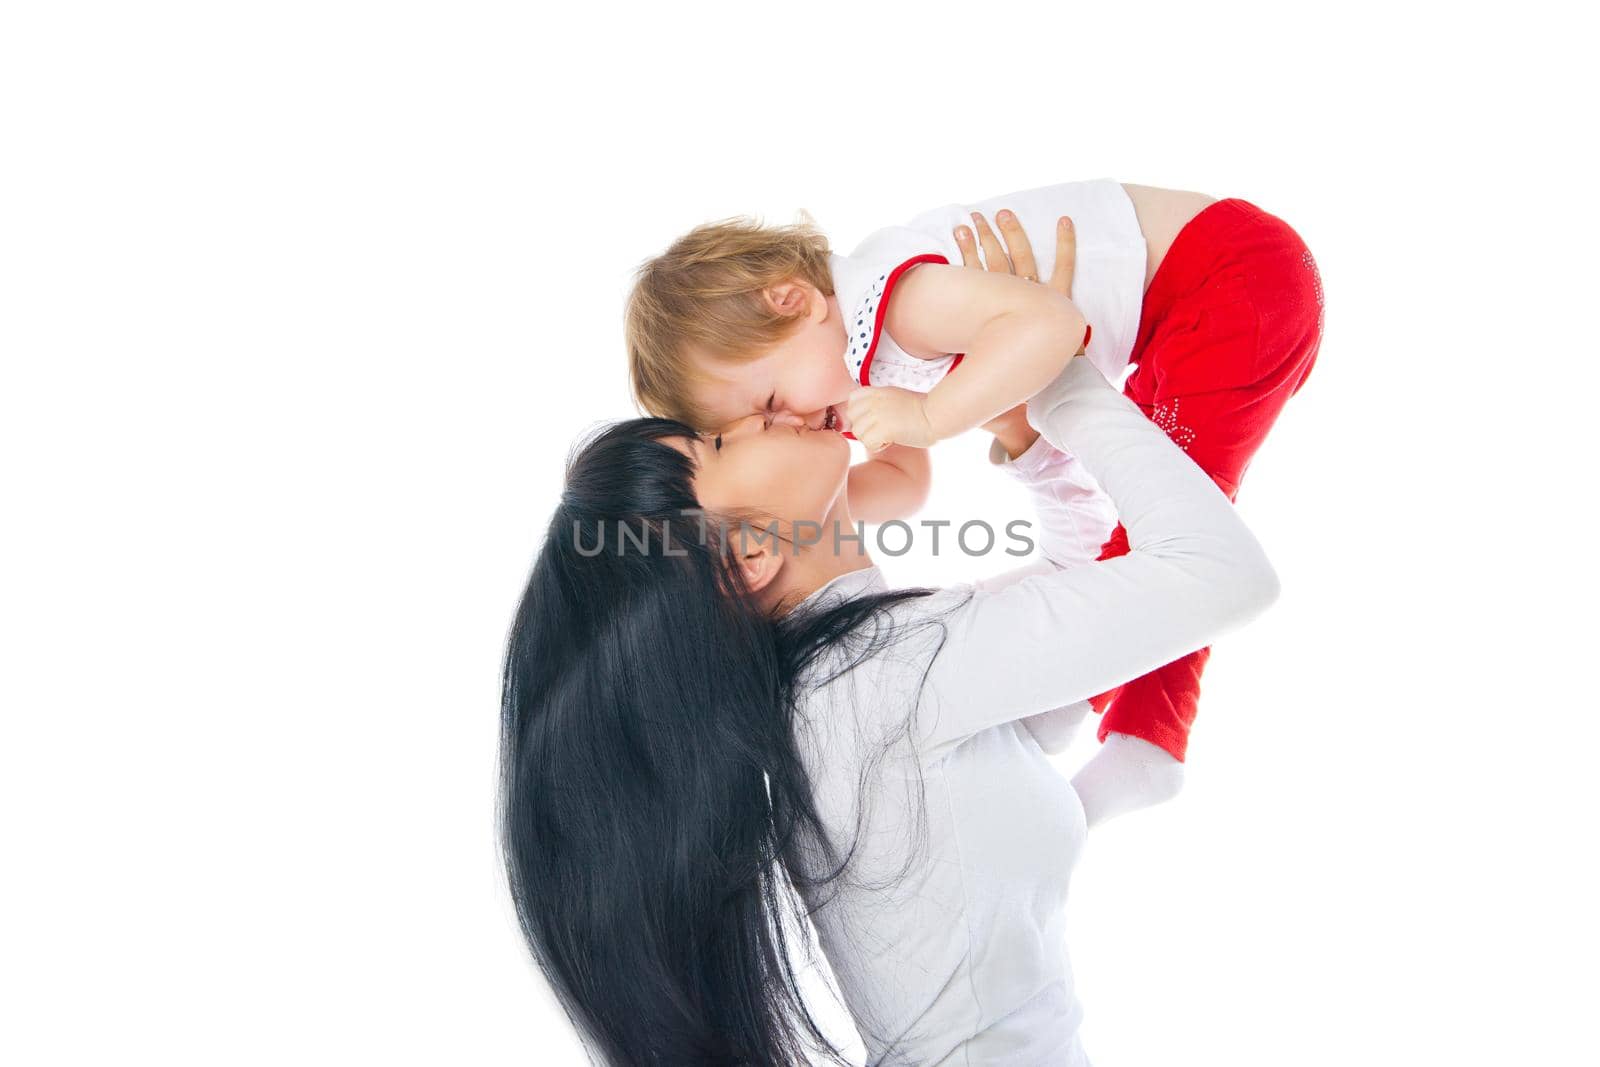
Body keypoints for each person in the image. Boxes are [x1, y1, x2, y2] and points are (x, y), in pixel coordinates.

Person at [500, 241, 1280, 1063]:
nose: (760, 416)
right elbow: (1225, 575)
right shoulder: (884, 677)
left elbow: (1076, 589)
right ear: (748, 556)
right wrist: (1061, 371)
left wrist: (1021, 423)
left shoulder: (852, 678)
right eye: (719, 445)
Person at [624, 179, 1322, 767]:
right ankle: (1141, 741)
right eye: (751, 433)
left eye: (772, 404)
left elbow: (1051, 324)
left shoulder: (895, 302)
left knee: (1163, 529)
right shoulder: (860, 356)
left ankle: (1147, 744)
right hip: (1192, 309)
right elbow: (904, 483)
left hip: (1228, 279)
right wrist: (793, 512)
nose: (794, 423)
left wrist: (929, 417)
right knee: (1152, 523)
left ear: (793, 301)